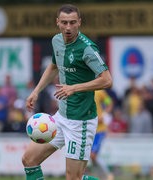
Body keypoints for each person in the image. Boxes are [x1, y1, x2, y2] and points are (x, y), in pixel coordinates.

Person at [22, 4, 112, 180]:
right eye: (64, 22)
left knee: (73, 178)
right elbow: (54, 66)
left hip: (81, 122)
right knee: (29, 159)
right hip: (61, 117)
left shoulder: (87, 48)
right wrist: (36, 91)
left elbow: (107, 80)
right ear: (58, 22)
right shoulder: (56, 41)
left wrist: (74, 88)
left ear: (79, 22)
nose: (68, 27)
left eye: (72, 22)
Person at [90, 90, 114, 180]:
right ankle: (100, 176)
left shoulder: (99, 92)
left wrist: (104, 115)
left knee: (93, 155)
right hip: (89, 129)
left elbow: (109, 103)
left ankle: (108, 175)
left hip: (99, 129)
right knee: (92, 157)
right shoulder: (83, 90)